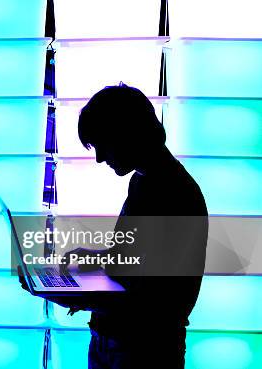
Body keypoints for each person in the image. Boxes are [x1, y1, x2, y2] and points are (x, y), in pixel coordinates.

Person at [21, 84, 208, 369]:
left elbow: (152, 302)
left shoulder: (174, 195)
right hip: (119, 344)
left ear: (127, 134)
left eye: (102, 144)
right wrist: (93, 258)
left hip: (143, 352)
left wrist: (70, 294)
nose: (99, 158)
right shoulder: (145, 181)